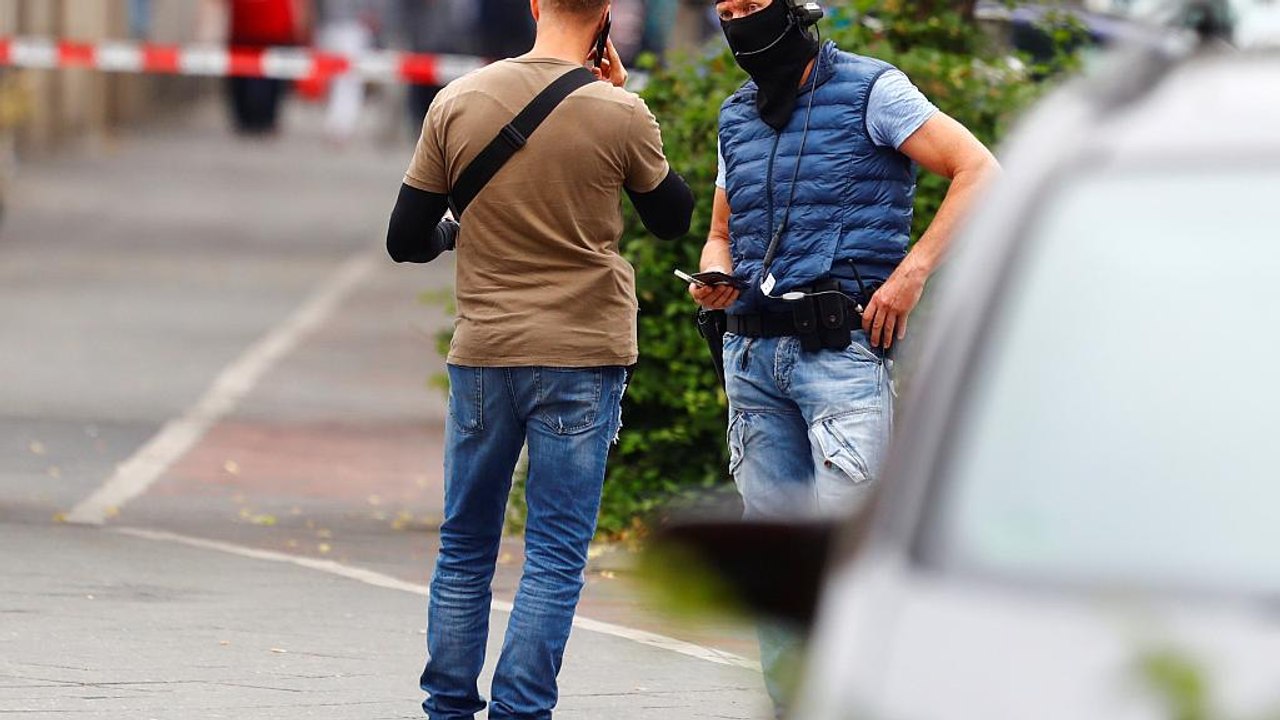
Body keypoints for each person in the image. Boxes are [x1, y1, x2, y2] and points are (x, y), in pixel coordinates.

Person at [384, 0, 695, 714]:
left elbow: (404, 239)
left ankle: (447, 707)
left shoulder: (458, 101)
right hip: (583, 355)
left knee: (465, 544)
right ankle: (522, 710)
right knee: (555, 552)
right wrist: (620, 99)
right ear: (606, 14)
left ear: (533, 5)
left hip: (485, 352)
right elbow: (672, 219)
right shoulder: (620, 114)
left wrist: (455, 233)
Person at [689, 0, 999, 712]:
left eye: (752, 6)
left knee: (852, 566)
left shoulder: (873, 89)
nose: (739, 22)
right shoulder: (736, 115)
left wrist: (911, 275)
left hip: (840, 357)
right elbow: (720, 232)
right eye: (727, 11)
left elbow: (979, 169)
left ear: (797, 9)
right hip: (751, 357)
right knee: (776, 573)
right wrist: (715, 275)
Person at [222, 0, 312, 134]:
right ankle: (255, 119)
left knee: (266, 78)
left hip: (264, 29)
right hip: (253, 29)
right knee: (248, 76)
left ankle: (259, 119)